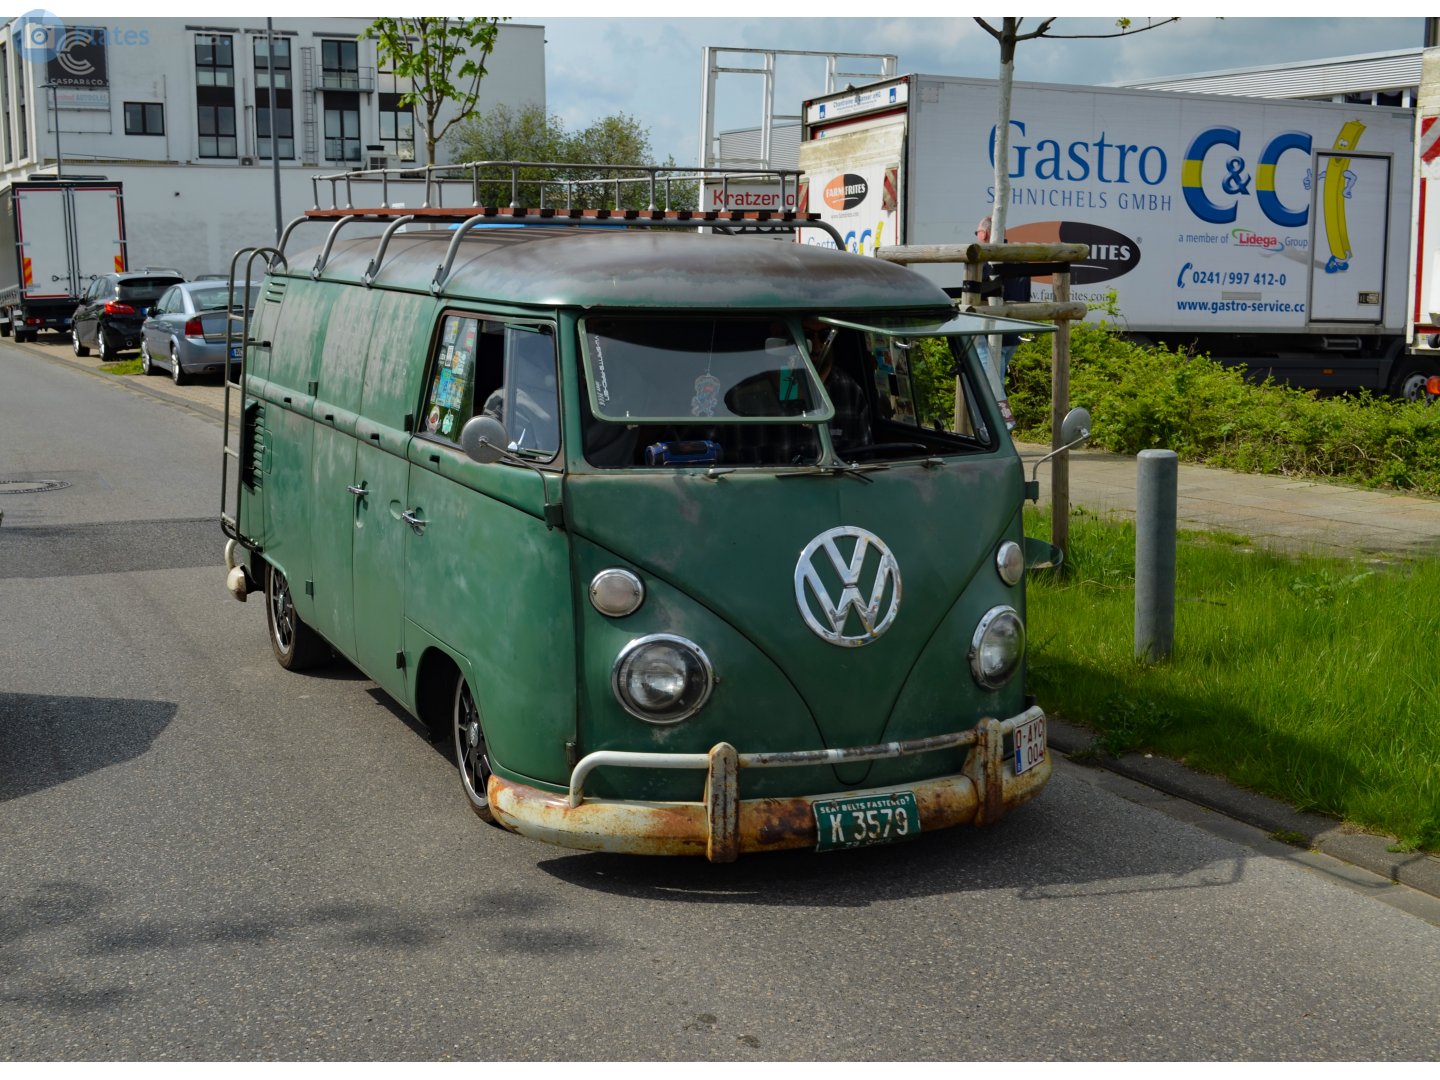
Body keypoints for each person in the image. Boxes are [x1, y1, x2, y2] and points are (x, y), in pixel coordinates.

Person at [973, 215, 1032, 393]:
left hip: (990, 333)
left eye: (977, 232)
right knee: (995, 386)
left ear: (984, 234)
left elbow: (976, 294)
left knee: (990, 391)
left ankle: (1001, 422)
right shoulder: (1019, 257)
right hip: (1014, 333)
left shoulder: (986, 259)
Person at [803, 319, 873, 454]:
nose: (817, 348)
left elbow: (865, 458)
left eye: (825, 335)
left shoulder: (850, 391)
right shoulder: (768, 390)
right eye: (807, 335)